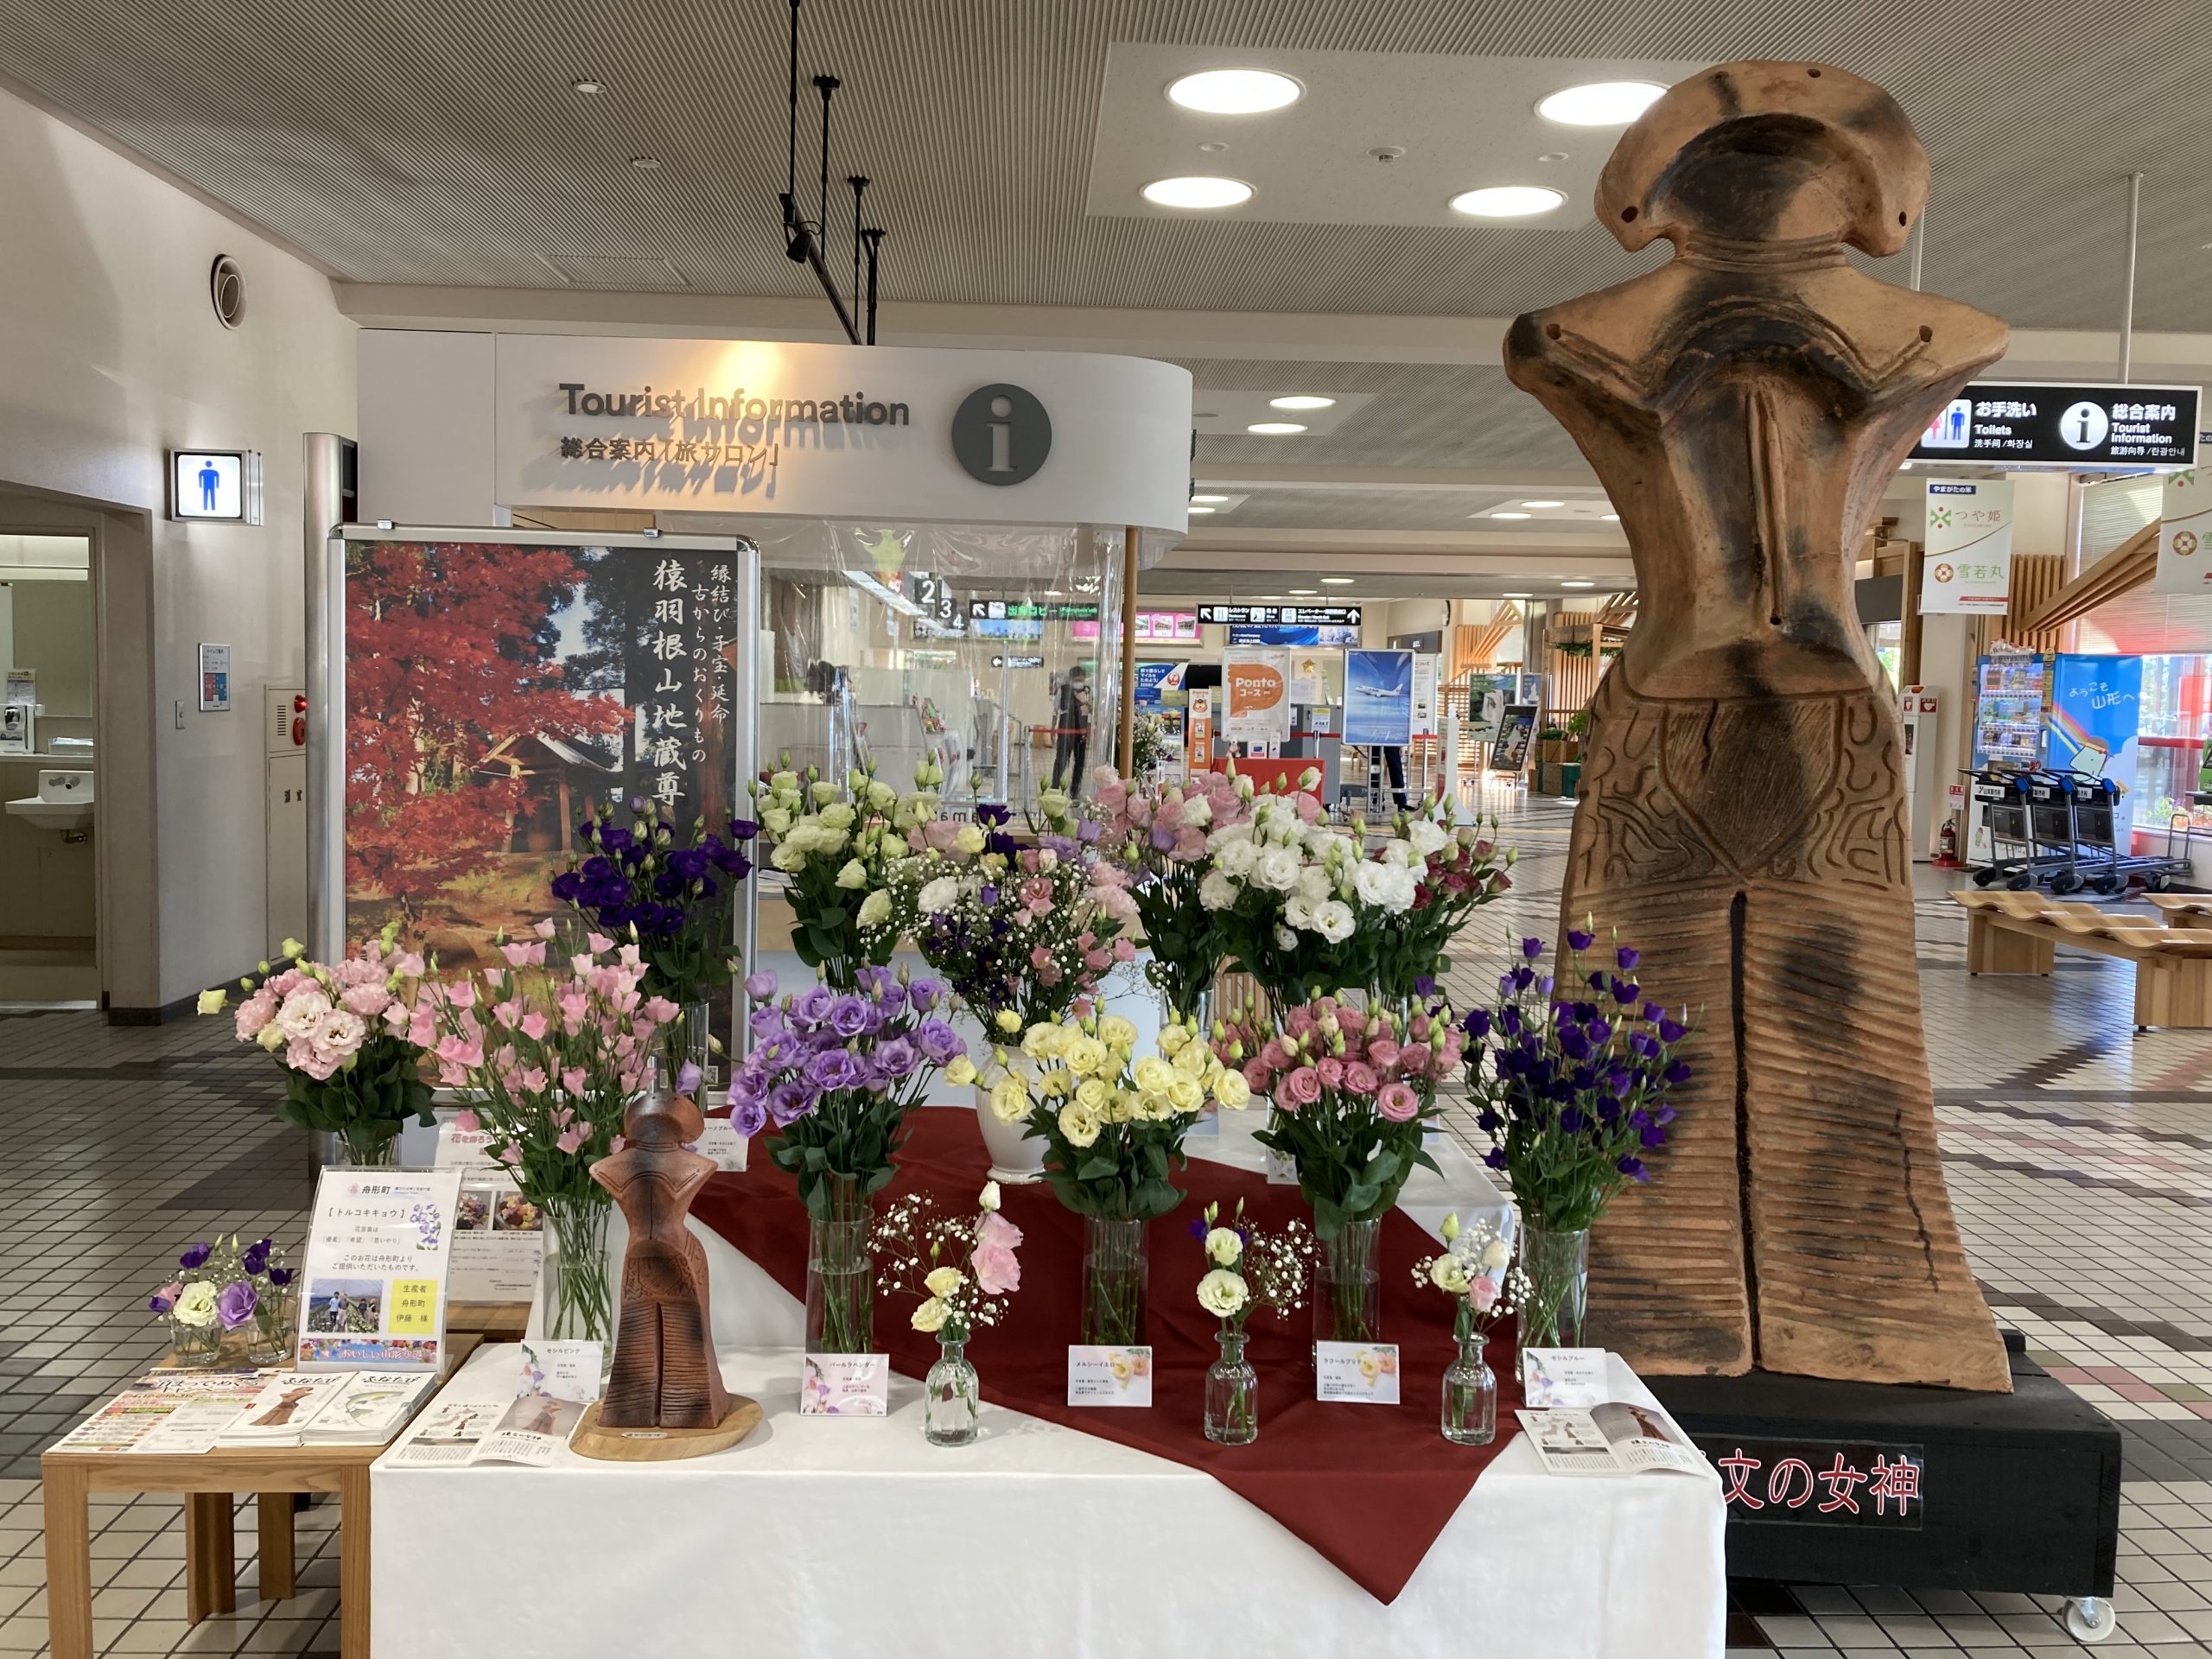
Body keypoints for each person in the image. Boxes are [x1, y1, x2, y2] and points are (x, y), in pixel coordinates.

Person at [1051, 663, 1091, 792]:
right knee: (1062, 760)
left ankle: (1075, 791)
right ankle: (1055, 787)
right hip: (1066, 730)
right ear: (1071, 679)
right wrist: (1053, 728)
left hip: (1081, 731)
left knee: (1079, 763)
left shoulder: (1087, 691)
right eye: (1077, 680)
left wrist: (1086, 702)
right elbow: (1056, 711)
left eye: (1081, 680)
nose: (1079, 682)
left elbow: (1092, 711)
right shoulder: (1063, 690)